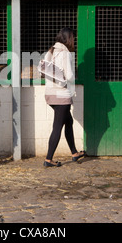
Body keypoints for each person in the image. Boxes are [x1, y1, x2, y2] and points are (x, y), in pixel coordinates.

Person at [43, 27, 86, 167]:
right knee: (57, 127)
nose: (74, 40)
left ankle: (74, 152)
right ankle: (48, 159)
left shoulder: (51, 51)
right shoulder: (65, 54)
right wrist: (73, 77)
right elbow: (70, 76)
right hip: (61, 95)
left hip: (50, 93)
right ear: (68, 38)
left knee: (68, 121)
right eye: (73, 37)